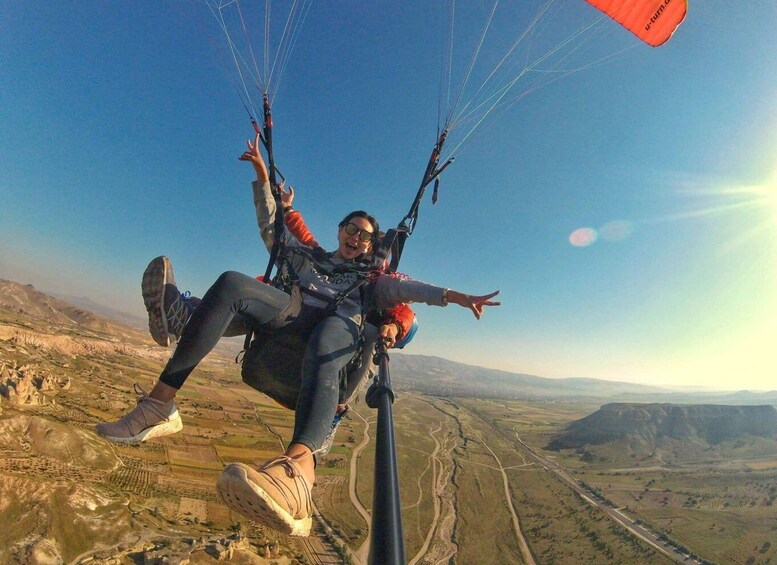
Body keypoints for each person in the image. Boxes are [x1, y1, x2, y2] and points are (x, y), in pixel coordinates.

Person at [96, 133, 500, 537]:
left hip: (332, 337)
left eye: (364, 236)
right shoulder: (308, 258)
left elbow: (411, 292)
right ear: (340, 230)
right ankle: (159, 404)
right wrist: (260, 174)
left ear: (369, 247)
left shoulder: (372, 281)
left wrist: (455, 297)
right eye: (351, 228)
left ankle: (298, 473)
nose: (355, 237)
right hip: (286, 325)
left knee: (330, 331)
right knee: (234, 283)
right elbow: (272, 226)